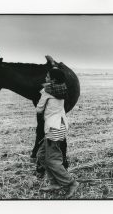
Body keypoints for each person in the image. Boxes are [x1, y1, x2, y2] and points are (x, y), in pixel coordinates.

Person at [36, 66, 79, 198]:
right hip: (60, 126)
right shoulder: (62, 89)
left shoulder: (47, 91)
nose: (45, 78)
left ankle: (71, 183)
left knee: (53, 160)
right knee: (42, 155)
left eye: (48, 77)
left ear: (53, 80)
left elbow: (39, 109)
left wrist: (42, 96)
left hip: (53, 128)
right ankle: (55, 182)